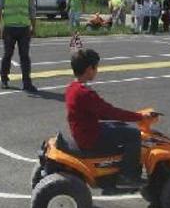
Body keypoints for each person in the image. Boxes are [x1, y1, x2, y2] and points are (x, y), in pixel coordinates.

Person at [65, 49, 157, 187]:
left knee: (119, 125)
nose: (97, 71)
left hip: (84, 130)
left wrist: (127, 119)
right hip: (90, 137)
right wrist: (139, 116)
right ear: (90, 69)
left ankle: (120, 166)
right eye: (96, 67)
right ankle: (128, 176)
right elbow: (110, 112)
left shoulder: (72, 88)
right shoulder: (85, 93)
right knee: (134, 135)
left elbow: (101, 112)